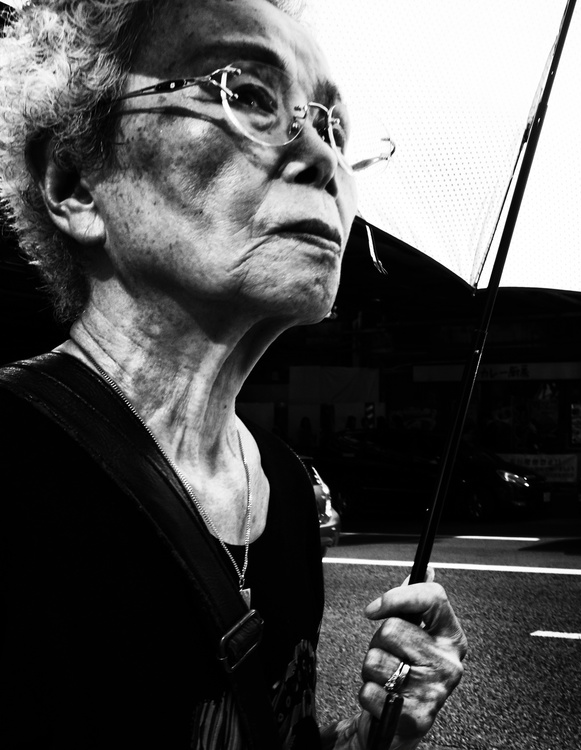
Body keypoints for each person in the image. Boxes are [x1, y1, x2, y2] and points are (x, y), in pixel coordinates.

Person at [0, 1, 466, 748]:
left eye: (335, 129)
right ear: (76, 182)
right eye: (246, 92)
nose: (322, 157)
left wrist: (380, 734)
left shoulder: (281, 487)